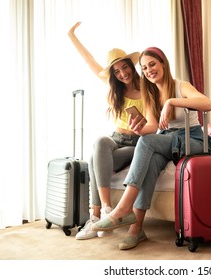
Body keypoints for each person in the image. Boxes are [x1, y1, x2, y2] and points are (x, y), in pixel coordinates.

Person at [91, 47, 211, 250]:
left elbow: (207, 104)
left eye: (152, 64)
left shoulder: (180, 86)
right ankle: (136, 229)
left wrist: (170, 102)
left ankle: (122, 209)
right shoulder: (149, 93)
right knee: (149, 160)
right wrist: (139, 129)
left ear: (163, 64)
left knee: (148, 142)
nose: (149, 70)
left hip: (191, 138)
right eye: (144, 67)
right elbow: (152, 127)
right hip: (167, 139)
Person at [68, 22, 146, 240]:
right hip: (116, 139)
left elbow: (153, 122)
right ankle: (107, 210)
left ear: (132, 65)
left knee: (93, 158)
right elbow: (90, 61)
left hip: (137, 143)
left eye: (125, 67)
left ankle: (96, 217)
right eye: (117, 71)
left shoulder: (146, 89)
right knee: (99, 143)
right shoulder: (115, 88)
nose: (122, 74)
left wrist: (142, 125)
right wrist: (72, 36)